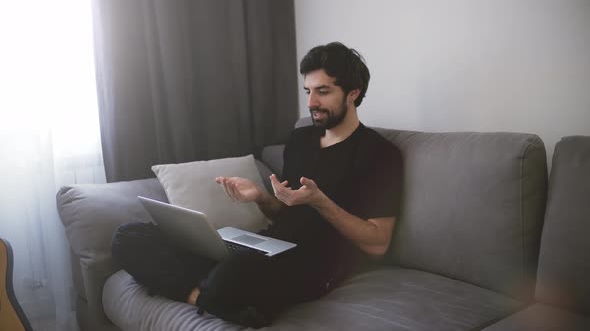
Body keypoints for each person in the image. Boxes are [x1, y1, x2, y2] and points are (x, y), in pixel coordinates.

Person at [111, 42, 403, 328]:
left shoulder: (380, 154)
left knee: (232, 274)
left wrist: (320, 201)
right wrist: (260, 197)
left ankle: (212, 288)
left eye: (323, 92)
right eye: (308, 91)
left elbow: (378, 244)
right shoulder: (302, 139)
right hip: (266, 247)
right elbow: (286, 211)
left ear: (353, 93)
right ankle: (206, 297)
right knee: (128, 236)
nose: (311, 102)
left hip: (314, 264)